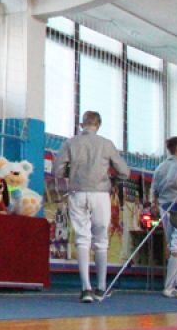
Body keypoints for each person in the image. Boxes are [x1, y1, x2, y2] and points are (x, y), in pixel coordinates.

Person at [52, 111, 130, 304]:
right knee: (101, 240)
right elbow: (124, 172)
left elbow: (57, 170)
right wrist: (113, 180)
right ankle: (101, 288)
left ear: (82, 124)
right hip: (101, 194)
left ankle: (85, 288)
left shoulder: (70, 143)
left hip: (77, 192)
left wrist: (71, 173)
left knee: (82, 239)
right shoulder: (106, 144)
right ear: (98, 125)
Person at [150, 136, 177, 298]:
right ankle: (169, 286)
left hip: (164, 207)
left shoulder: (160, 167)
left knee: (173, 246)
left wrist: (154, 204)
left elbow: (154, 189)